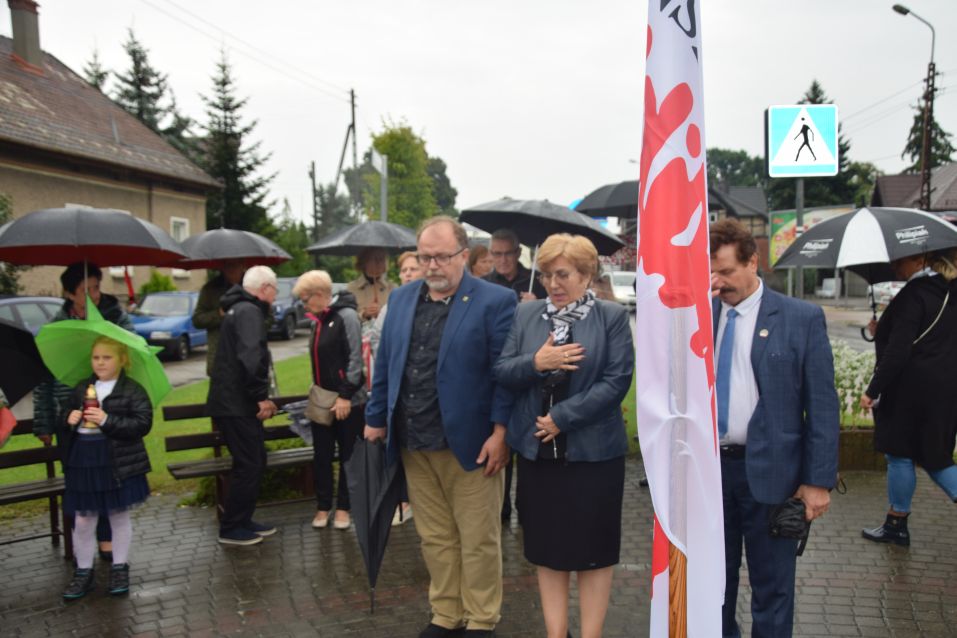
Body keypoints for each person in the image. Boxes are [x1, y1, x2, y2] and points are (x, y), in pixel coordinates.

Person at [364, 216, 517, 638]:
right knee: (434, 536)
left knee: (478, 538)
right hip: (413, 440)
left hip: (471, 443)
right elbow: (387, 365)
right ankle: (446, 614)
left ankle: (481, 619)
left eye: (441, 257)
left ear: (463, 255)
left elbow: (504, 375)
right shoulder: (402, 298)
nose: (432, 265)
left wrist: (501, 434)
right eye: (424, 257)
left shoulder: (495, 301)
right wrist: (375, 419)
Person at [493, 233, 633, 638]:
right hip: (538, 455)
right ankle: (556, 633)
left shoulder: (610, 316)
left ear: (586, 275)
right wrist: (537, 362)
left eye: (563, 274)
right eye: (546, 275)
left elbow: (617, 381)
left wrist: (562, 418)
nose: (552, 284)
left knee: (594, 552)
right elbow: (502, 370)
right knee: (548, 550)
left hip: (594, 457)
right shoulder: (526, 314)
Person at [710, 219, 839, 638]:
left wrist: (817, 482)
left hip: (774, 476)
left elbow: (822, 405)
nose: (718, 282)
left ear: (753, 262)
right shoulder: (698, 317)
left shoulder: (800, 318)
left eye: (726, 271)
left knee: (773, 589)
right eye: (711, 273)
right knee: (713, 587)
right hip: (711, 475)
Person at [34, 262, 135, 561]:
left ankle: (106, 537)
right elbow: (43, 380)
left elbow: (134, 350)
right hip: (71, 417)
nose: (93, 295)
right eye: (84, 290)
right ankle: (83, 543)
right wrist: (44, 424)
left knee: (107, 477)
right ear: (69, 293)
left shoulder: (115, 316)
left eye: (96, 287)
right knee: (80, 480)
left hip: (107, 411)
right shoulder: (56, 328)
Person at [860, 249, 957, 546]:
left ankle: (896, 525)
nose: (894, 265)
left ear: (920, 260)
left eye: (900, 260)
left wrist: (873, 389)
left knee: (903, 454)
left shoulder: (914, 294)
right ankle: (895, 522)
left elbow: (899, 351)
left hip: (910, 391)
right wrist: (882, 330)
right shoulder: (947, 291)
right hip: (944, 388)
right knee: (933, 453)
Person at [60, 336, 152, 600]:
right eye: (96, 357)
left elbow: (141, 424)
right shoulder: (82, 388)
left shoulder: (132, 390)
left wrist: (106, 419)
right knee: (83, 518)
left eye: (107, 357)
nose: (100, 362)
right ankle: (83, 572)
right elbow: (63, 416)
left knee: (117, 514)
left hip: (115, 460)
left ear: (122, 360)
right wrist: (68, 418)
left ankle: (120, 568)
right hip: (84, 459)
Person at [206, 265, 280, 546]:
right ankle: (232, 527)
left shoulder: (238, 308)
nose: (275, 297)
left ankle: (243, 519)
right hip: (237, 404)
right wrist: (260, 396)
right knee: (250, 463)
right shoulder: (249, 311)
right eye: (274, 290)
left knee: (253, 461)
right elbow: (251, 356)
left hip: (233, 401)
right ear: (265, 288)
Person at [293, 270, 366, 531]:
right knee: (321, 455)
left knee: (348, 456)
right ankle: (323, 506)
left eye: (305, 299)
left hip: (348, 401)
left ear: (320, 294)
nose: (303, 305)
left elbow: (356, 359)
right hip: (322, 400)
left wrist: (345, 395)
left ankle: (344, 508)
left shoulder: (347, 316)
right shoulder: (318, 321)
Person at [370, 250, 422, 526]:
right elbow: (377, 341)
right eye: (404, 270)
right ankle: (401, 499)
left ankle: (411, 500)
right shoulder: (394, 303)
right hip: (395, 388)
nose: (408, 274)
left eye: (413, 269)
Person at [192, 259, 246, 376]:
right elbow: (197, 319)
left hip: (248, 356)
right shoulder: (210, 289)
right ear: (222, 267)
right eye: (228, 265)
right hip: (220, 357)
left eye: (235, 265)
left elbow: (268, 318)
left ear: (243, 265)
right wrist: (219, 314)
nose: (231, 269)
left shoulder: (252, 287)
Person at [484, 228, 547, 302]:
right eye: (498, 254)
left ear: (518, 252)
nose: (503, 260)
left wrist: (536, 305)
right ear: (490, 254)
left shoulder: (538, 281)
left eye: (508, 253)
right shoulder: (484, 284)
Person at [346, 247, 395, 323]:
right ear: (363, 262)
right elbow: (346, 318)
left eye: (382, 259)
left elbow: (398, 316)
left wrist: (382, 314)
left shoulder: (392, 288)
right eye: (374, 259)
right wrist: (364, 314)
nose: (379, 263)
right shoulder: (352, 289)